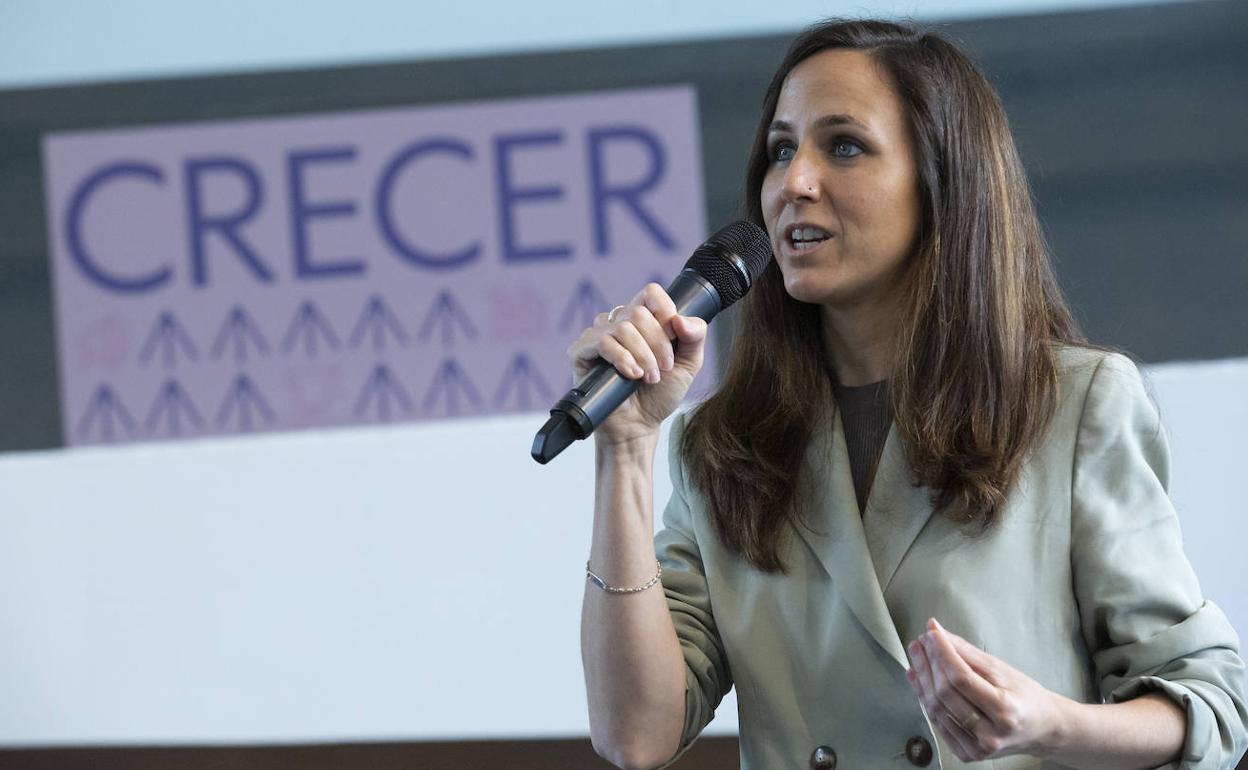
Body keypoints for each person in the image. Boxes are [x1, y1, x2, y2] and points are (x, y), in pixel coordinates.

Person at [571, 19, 1248, 770]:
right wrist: (625, 453)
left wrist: (1051, 722)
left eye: (845, 146)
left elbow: (1210, 705)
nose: (795, 182)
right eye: (781, 149)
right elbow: (635, 735)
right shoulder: (721, 444)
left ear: (941, 181)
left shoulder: (1074, 404)